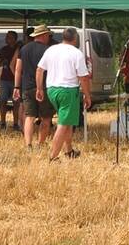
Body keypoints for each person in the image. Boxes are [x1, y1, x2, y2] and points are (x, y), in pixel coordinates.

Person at [36, 27, 91, 161]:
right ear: (75, 38)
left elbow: (39, 70)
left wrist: (39, 89)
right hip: (68, 90)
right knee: (63, 124)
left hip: (51, 90)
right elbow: (83, 77)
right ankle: (53, 157)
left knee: (67, 121)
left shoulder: (51, 49)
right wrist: (87, 95)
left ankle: (69, 150)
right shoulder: (76, 53)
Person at [14, 24, 55, 150]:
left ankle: (28, 145)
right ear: (43, 35)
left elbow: (17, 69)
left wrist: (16, 87)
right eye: (48, 35)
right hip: (43, 87)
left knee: (29, 117)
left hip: (26, 87)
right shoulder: (48, 50)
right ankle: (40, 144)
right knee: (46, 118)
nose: (49, 37)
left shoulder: (24, 49)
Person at [0, 30, 22, 131]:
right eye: (6, 37)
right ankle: (3, 122)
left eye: (9, 37)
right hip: (4, 79)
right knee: (3, 101)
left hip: (15, 80)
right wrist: (2, 61)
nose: (6, 39)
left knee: (16, 102)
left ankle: (16, 123)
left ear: (14, 39)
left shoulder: (19, 49)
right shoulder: (4, 49)